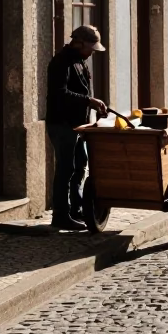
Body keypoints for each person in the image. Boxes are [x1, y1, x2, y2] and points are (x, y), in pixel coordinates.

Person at [45, 25, 108, 230]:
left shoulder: (80, 61)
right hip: (62, 124)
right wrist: (89, 101)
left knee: (80, 164)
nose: (91, 52)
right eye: (90, 47)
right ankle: (60, 215)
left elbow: (82, 89)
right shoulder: (61, 62)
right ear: (78, 43)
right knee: (65, 168)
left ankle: (76, 209)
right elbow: (60, 94)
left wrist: (93, 107)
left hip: (78, 125)